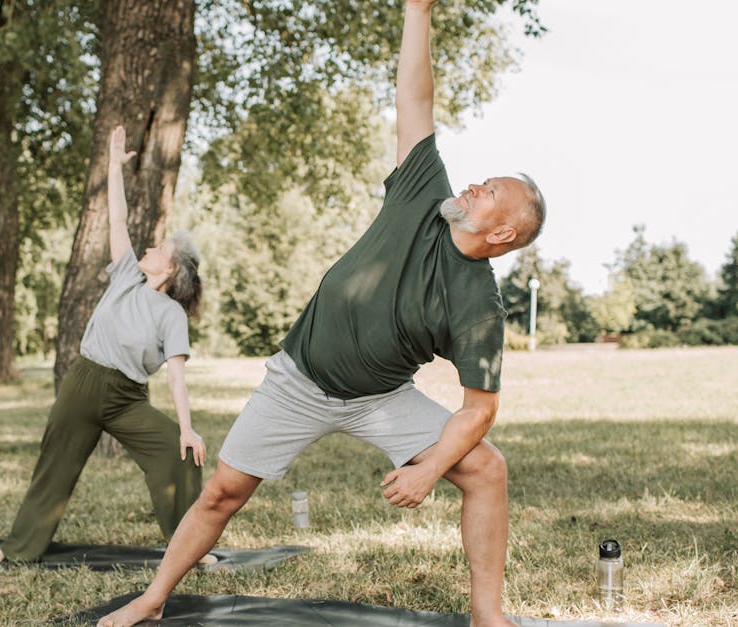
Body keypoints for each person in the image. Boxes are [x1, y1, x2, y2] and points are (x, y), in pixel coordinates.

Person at [98, 0, 545, 624]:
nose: (474, 186)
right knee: (224, 493)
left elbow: (481, 410)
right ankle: (151, 601)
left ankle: (487, 617)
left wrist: (432, 468)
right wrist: (418, 12)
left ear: (502, 234)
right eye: (483, 180)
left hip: (380, 397)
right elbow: (414, 99)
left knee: (485, 469)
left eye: (491, 192)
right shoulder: (424, 192)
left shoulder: (479, 304)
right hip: (299, 378)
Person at [0, 124, 208, 564]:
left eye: (159, 248)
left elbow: (177, 377)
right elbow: (118, 218)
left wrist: (186, 427)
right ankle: (18, 550)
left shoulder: (171, 315)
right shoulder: (126, 274)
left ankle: (190, 550)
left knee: (177, 452)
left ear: (170, 269)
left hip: (127, 399)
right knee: (55, 466)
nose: (149, 246)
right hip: (84, 384)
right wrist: (113, 166)